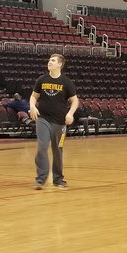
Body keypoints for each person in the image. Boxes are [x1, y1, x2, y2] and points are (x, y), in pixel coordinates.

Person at [29, 53, 78, 189]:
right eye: (49, 60)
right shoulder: (42, 79)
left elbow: (75, 100)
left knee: (58, 150)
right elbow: (33, 97)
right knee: (42, 146)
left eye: (53, 60)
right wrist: (32, 106)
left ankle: (58, 179)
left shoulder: (66, 82)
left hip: (60, 122)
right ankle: (40, 179)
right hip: (43, 119)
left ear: (60, 64)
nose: (49, 62)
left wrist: (70, 113)